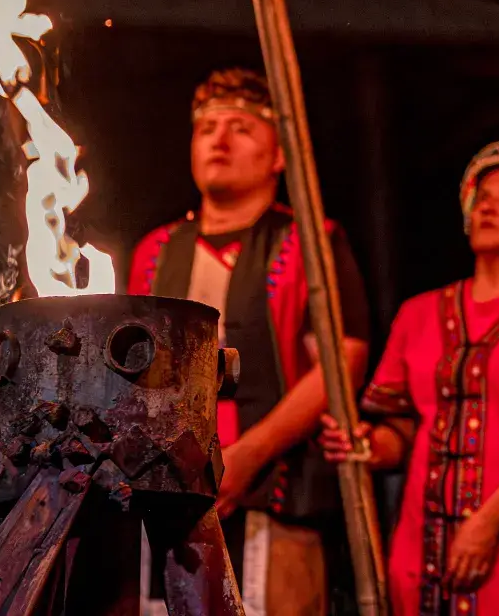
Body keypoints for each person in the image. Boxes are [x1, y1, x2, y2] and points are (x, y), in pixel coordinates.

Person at [321, 140, 499, 616]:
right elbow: (403, 432)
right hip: (420, 549)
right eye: (482, 197)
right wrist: (368, 446)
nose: (488, 206)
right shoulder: (418, 313)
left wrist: (487, 523)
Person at [129, 67, 370, 616]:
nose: (219, 138)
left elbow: (342, 360)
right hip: (164, 501)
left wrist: (251, 453)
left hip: (275, 498)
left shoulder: (312, 242)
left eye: (240, 127)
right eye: (207, 127)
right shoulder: (156, 251)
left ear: (279, 155)